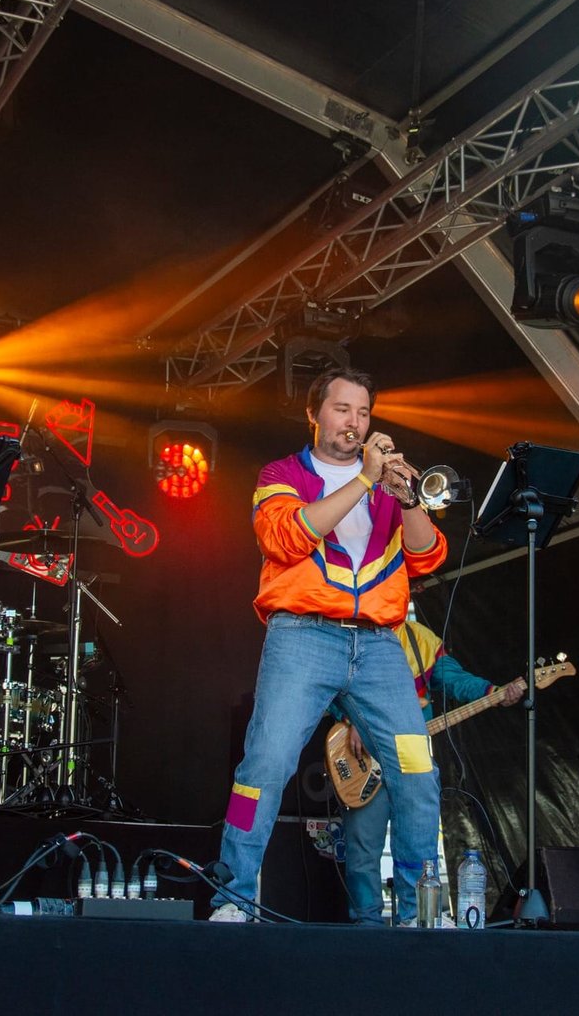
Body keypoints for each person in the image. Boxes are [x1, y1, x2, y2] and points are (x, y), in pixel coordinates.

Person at [211, 367, 447, 924]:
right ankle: (233, 898)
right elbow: (284, 538)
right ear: (313, 414)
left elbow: (427, 556)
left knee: (418, 769)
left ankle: (418, 912)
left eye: (363, 413)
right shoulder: (282, 473)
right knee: (263, 766)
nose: (354, 422)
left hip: (380, 646)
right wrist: (364, 480)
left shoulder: (387, 484)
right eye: (342, 409)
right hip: (303, 636)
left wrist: (407, 498)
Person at [337, 609, 523, 925]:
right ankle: (365, 927)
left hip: (411, 753)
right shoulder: (347, 630)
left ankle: (416, 918)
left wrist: (493, 691)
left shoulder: (420, 639)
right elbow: (324, 686)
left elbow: (455, 679)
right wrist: (350, 718)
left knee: (419, 841)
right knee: (362, 849)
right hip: (365, 759)